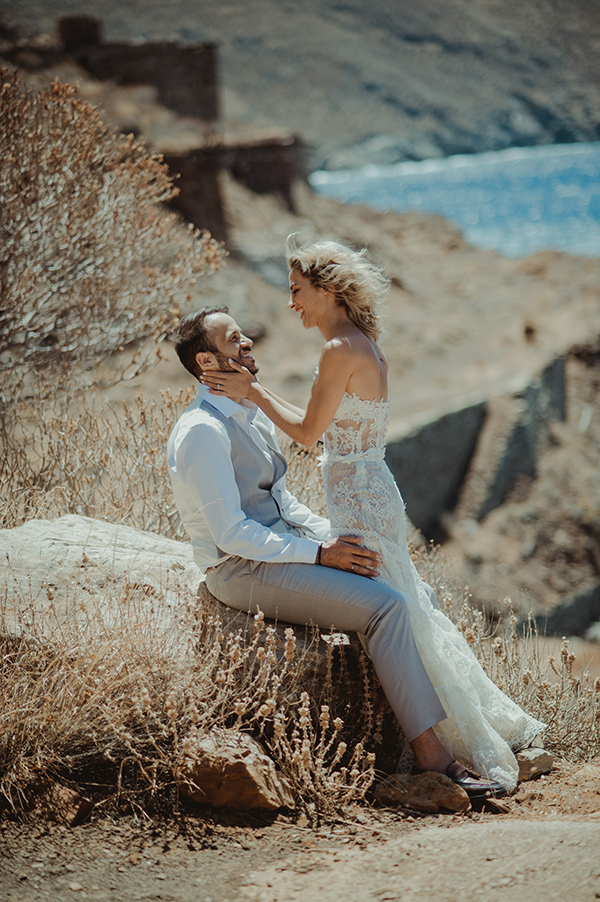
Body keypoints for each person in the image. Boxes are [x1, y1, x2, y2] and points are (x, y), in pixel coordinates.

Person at [197, 239, 545, 792]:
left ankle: (455, 743)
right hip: (368, 487)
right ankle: (470, 729)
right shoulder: (362, 341)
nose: (291, 304)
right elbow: (319, 428)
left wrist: (254, 391)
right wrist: (258, 393)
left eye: (296, 291)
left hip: (359, 494)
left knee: (397, 607)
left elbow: (310, 434)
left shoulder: (339, 348)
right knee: (408, 603)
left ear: (327, 288)